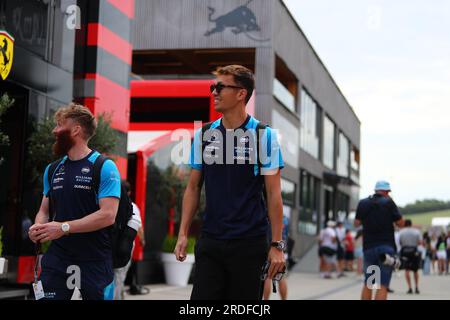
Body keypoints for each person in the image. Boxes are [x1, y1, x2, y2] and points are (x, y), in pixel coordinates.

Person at [174, 65, 285, 300]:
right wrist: (183, 233)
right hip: (211, 240)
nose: (214, 92)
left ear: (241, 93)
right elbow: (193, 187)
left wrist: (277, 245)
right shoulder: (204, 135)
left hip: (249, 243)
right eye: (213, 87)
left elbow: (274, 195)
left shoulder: (264, 136)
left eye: (220, 87)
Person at [28, 103, 121, 300]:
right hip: (58, 259)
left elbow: (108, 215)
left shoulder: (104, 167)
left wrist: (62, 228)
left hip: (94, 259)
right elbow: (44, 210)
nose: (54, 130)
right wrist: (38, 226)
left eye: (59, 125)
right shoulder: (52, 169)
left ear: (75, 130)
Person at [354, 180, 404, 300]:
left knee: (370, 282)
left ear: (376, 190)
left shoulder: (363, 203)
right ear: (387, 192)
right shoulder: (389, 202)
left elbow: (356, 223)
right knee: (382, 284)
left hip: (369, 247)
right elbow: (400, 223)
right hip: (386, 249)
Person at [113, 180, 146, 300]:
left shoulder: (111, 202)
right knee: (120, 273)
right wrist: (142, 240)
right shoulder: (133, 206)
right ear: (130, 192)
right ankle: (117, 296)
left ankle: (119, 294)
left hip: (111, 243)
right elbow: (139, 227)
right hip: (125, 246)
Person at [263, 210, 290, 300]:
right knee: (280, 277)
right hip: (281, 249)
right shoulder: (285, 219)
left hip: (270, 247)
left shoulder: (270, 215)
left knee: (267, 277)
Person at [399, 219, 422, 294]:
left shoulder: (401, 232)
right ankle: (417, 287)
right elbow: (420, 242)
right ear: (411, 224)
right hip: (414, 251)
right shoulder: (416, 231)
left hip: (405, 251)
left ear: (405, 224)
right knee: (415, 270)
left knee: (407, 270)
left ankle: (409, 287)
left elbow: (400, 242)